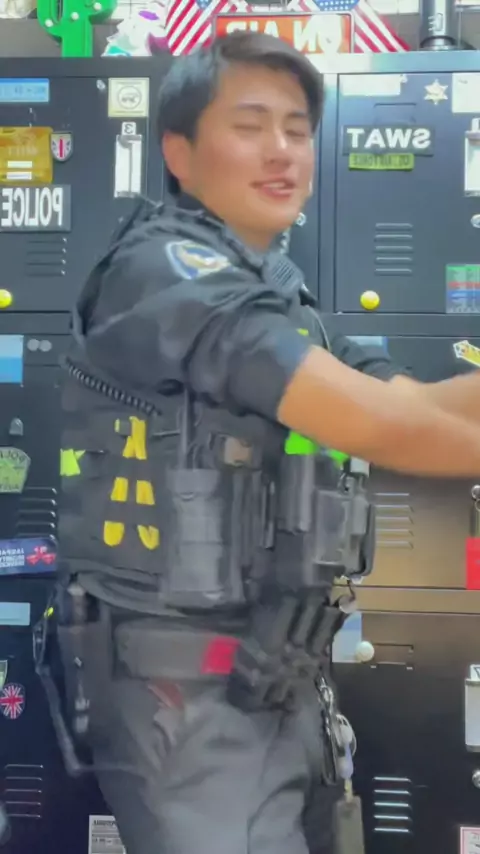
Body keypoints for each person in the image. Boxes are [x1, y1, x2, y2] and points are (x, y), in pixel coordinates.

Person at [52, 31, 480, 854]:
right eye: (249, 125)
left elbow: (414, 402)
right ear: (177, 151)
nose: (282, 149)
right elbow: (383, 427)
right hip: (183, 698)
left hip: (267, 674)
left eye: (297, 128)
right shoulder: (163, 274)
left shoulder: (279, 295)